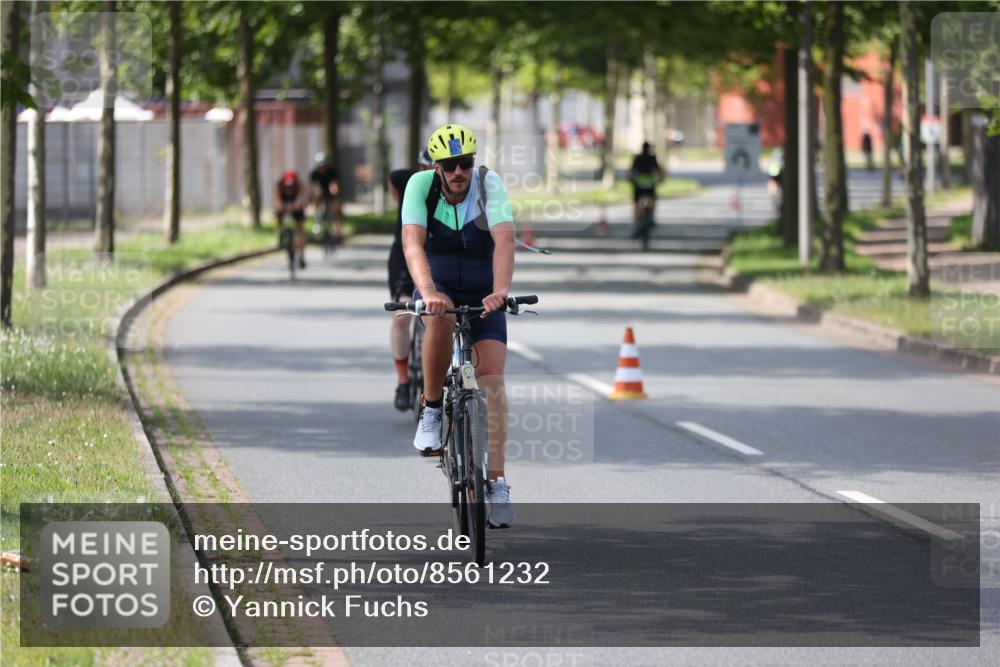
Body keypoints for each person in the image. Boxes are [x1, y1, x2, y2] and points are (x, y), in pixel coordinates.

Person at [401, 123, 516, 528]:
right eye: (449, 166)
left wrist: (500, 290)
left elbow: (504, 239)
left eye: (464, 164)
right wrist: (428, 290)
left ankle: (498, 482)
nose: (458, 173)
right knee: (439, 316)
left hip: (485, 290)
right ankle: (431, 409)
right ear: (436, 167)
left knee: (493, 381)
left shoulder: (490, 184)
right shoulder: (420, 186)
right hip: (441, 284)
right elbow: (412, 243)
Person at [387, 149, 434, 411]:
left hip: (435, 254)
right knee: (403, 314)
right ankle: (403, 380)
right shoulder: (407, 181)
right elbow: (393, 178)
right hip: (404, 254)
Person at [628, 142, 664, 235]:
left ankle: (636, 224)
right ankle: (651, 216)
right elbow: (657, 170)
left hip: (638, 185)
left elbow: (632, 171)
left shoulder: (637, 158)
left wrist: (631, 180)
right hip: (650, 185)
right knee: (653, 200)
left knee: (636, 204)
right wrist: (659, 180)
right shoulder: (652, 158)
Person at [274, 170, 306, 269]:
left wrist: (295, 206)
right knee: (278, 215)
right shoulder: (278, 185)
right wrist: (281, 207)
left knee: (300, 229)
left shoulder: (299, 185)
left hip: (295, 205)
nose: (289, 188)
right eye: (287, 186)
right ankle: (281, 233)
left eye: (291, 186)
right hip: (284, 203)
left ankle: (301, 255)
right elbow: (277, 200)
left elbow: (300, 199)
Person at [309, 152, 344, 244]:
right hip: (320, 192)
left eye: (323, 165)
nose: (322, 167)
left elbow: (335, 185)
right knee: (317, 196)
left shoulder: (333, 171)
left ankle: (338, 232)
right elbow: (313, 186)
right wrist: (315, 192)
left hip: (331, 192)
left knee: (336, 209)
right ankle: (318, 220)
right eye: (320, 165)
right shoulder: (314, 173)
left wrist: (334, 189)